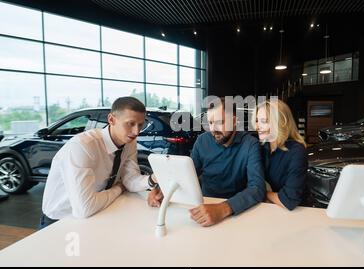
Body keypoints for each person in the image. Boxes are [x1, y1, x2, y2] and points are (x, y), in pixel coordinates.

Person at [40, 97, 157, 229]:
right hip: (60, 220)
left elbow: (130, 180)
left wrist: (153, 179)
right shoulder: (83, 146)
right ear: (111, 119)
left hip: (98, 212)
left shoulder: (129, 142)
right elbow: (84, 208)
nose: (136, 132)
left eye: (140, 125)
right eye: (130, 123)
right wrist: (118, 188)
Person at [148, 97, 266, 226]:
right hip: (205, 203)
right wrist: (163, 189)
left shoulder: (250, 144)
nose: (213, 129)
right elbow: (187, 174)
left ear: (233, 121)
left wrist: (223, 209)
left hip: (237, 208)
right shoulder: (202, 141)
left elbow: (257, 188)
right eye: (210, 123)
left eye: (219, 122)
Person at [255, 99, 308, 210]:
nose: (257, 127)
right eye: (257, 121)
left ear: (280, 123)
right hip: (268, 209)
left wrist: (265, 193)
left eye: (264, 121)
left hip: (295, 214)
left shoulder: (297, 151)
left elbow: (289, 200)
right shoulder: (263, 147)